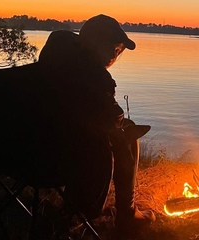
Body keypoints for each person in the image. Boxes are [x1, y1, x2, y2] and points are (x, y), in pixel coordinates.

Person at [38, 14, 155, 239]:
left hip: (20, 151)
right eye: (117, 49)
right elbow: (112, 120)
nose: (116, 55)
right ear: (103, 46)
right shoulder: (97, 78)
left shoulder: (48, 66)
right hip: (64, 161)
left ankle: (65, 212)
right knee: (126, 133)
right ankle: (127, 213)